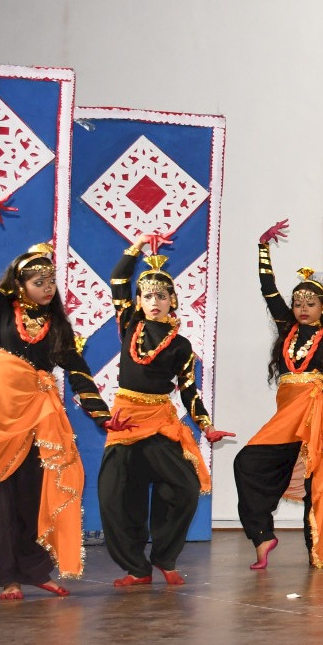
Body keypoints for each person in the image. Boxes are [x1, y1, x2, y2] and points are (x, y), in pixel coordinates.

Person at [0, 198, 113, 600]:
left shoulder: (56, 326)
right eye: (39, 282)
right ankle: (8, 578)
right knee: (2, 499)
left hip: (38, 417)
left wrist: (103, 415)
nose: (47, 289)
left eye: (51, 282)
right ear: (19, 285)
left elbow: (78, 372)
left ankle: (34, 571)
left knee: (34, 493)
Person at [100, 237, 235, 587]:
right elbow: (118, 279)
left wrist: (206, 426)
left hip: (159, 421)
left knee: (184, 488)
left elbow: (188, 389)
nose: (154, 302)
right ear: (138, 302)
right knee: (117, 496)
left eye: (161, 296)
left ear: (172, 301)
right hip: (125, 421)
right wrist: (136, 247)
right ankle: (136, 568)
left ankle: (164, 558)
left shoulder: (181, 345)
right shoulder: (129, 324)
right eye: (147, 296)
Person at [233, 220, 323, 570]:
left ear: (322, 308)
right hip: (287, 417)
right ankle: (262, 535)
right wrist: (262, 249)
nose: (303, 308)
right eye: (298, 303)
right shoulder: (287, 329)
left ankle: (317, 549)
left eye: (310, 303)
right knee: (246, 462)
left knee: (317, 480)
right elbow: (268, 289)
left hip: (317, 414)